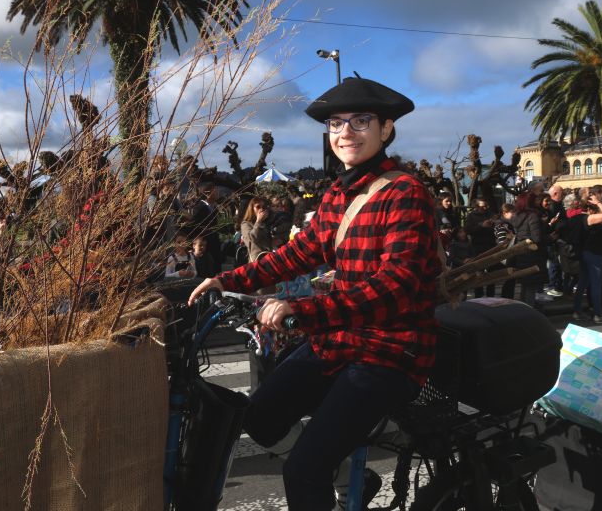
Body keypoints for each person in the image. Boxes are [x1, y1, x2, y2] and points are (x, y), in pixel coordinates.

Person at [188, 77, 441, 510]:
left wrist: (302, 310)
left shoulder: (406, 192)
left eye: (361, 121)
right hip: (340, 340)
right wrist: (229, 281)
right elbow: (298, 253)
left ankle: (324, 473)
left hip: (390, 351)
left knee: (303, 470)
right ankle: (345, 477)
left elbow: (395, 286)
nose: (345, 132)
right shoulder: (338, 194)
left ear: (386, 129)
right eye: (336, 123)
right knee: (259, 417)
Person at [571, 186, 602, 324]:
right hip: (594, 253)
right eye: (590, 194)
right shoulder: (588, 218)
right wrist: (598, 202)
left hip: (584, 253)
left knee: (583, 282)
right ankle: (598, 314)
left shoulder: (576, 217)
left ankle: (577, 311)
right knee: (596, 284)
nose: (593, 195)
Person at [501, 193, 546, 307]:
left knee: (525, 286)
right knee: (531, 288)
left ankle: (523, 309)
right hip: (533, 254)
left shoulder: (517, 216)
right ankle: (529, 312)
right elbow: (537, 238)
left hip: (521, 253)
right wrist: (549, 236)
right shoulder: (533, 216)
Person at [464, 198, 497, 298]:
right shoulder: (471, 216)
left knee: (492, 271)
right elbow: (467, 230)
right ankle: (478, 295)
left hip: (491, 245)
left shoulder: (490, 213)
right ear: (476, 206)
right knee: (478, 271)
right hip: (477, 246)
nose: (485, 208)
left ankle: (491, 295)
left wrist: (493, 223)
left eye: (486, 206)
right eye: (482, 206)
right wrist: (481, 226)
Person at [240, 196, 274, 263]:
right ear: (252, 209)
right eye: (258, 207)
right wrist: (258, 222)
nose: (261, 209)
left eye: (263, 207)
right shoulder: (246, 224)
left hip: (270, 258)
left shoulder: (268, 222)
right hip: (257, 260)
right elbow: (252, 239)